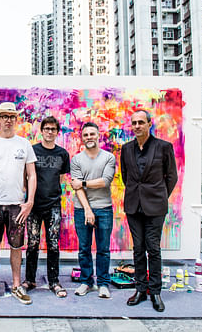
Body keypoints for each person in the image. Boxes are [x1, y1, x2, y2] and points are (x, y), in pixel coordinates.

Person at [0, 101, 37, 305]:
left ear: (15, 119)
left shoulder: (24, 144)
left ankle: (16, 286)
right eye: (4, 116)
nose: (8, 120)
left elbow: (31, 175)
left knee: (16, 247)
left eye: (12, 116)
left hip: (16, 206)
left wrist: (29, 202)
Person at [121, 109, 178, 312]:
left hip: (155, 206)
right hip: (133, 206)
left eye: (141, 122)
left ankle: (155, 292)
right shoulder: (126, 149)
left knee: (153, 248)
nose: (137, 126)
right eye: (134, 123)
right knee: (138, 249)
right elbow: (125, 176)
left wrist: (159, 195)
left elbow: (171, 177)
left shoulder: (164, 147)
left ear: (149, 124)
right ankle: (140, 289)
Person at [23, 116, 70, 298]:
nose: (50, 132)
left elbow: (60, 179)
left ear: (57, 132)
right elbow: (27, 176)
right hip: (33, 206)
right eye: (47, 128)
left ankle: (54, 281)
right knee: (32, 244)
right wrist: (28, 198)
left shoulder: (62, 154)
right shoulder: (32, 151)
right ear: (41, 131)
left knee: (53, 244)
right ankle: (30, 280)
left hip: (53, 206)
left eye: (53, 129)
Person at [70, 122, 116, 299]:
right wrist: (88, 209)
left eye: (92, 134)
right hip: (82, 209)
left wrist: (82, 182)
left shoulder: (108, 158)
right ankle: (86, 282)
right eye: (86, 134)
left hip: (104, 208)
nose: (89, 137)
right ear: (82, 138)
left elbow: (105, 181)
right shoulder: (76, 160)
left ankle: (103, 283)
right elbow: (77, 189)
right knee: (84, 248)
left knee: (103, 248)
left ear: (98, 135)